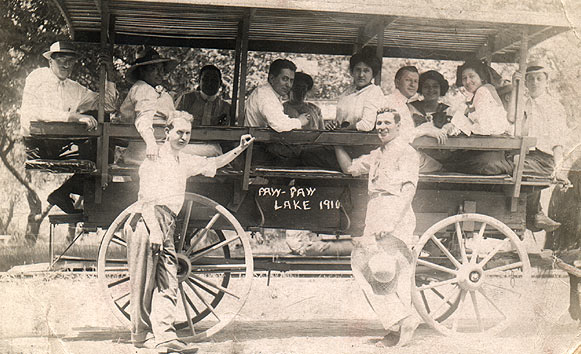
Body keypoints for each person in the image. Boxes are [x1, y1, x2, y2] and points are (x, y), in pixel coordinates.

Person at [126, 110, 253, 352]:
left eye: (187, 133)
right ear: (167, 132)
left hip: (167, 223)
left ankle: (164, 336)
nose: (184, 137)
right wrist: (154, 231)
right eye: (179, 132)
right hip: (147, 221)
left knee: (169, 282)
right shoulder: (153, 159)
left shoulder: (182, 161)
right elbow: (145, 199)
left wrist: (240, 148)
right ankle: (141, 339)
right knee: (144, 282)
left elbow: (212, 163)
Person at [335, 108, 420, 347]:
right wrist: (334, 143)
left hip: (395, 211)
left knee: (391, 270)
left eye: (387, 123)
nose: (381, 127)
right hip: (376, 210)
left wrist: (391, 221)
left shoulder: (407, 152)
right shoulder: (377, 154)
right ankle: (399, 321)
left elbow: (408, 190)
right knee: (367, 267)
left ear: (398, 126)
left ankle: (399, 325)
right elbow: (350, 167)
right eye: (378, 123)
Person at [21, 41, 119, 214]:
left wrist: (110, 72)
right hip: (39, 144)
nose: (65, 64)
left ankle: (66, 194)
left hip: (61, 143)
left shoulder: (75, 88)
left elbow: (108, 105)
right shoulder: (38, 77)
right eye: (60, 60)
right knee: (99, 151)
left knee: (104, 151)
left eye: (70, 60)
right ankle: (68, 193)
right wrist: (74, 116)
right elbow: (38, 112)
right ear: (50, 61)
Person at [513, 60, 572, 232]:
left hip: (545, 159)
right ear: (525, 82)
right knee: (510, 162)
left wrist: (559, 170)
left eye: (539, 79)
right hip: (528, 155)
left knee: (514, 165)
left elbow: (557, 141)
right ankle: (533, 214)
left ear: (546, 82)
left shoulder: (553, 107)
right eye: (530, 79)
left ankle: (533, 214)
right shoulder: (524, 104)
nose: (534, 83)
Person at [443, 60, 513, 175]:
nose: (467, 81)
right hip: (495, 154)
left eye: (471, 76)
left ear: (481, 77)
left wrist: (462, 127)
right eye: (464, 78)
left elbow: (486, 128)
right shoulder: (484, 90)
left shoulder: (482, 92)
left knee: (446, 164)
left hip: (490, 158)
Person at [244, 59, 309, 165]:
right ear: (272, 78)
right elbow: (279, 124)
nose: (288, 85)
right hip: (255, 150)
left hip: (260, 146)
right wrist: (300, 121)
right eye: (284, 79)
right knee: (303, 159)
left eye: (291, 80)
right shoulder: (266, 95)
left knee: (301, 156)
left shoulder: (271, 94)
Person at [118, 48, 178, 164]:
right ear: (142, 72)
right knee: (211, 151)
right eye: (154, 69)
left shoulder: (155, 91)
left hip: (155, 145)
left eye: (161, 69)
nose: (160, 73)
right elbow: (143, 118)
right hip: (147, 149)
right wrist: (151, 144)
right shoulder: (143, 89)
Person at [175, 64, 231, 157]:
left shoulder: (225, 107)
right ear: (199, 81)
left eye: (214, 80)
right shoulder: (186, 99)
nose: (210, 83)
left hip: (213, 151)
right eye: (205, 79)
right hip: (187, 147)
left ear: (220, 83)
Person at [325, 50, 384, 131]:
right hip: (342, 138)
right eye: (358, 70)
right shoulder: (347, 92)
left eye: (366, 71)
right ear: (352, 72)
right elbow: (340, 121)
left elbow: (366, 125)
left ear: (373, 74)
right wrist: (334, 125)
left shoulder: (374, 92)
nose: (361, 75)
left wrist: (343, 130)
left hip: (362, 140)